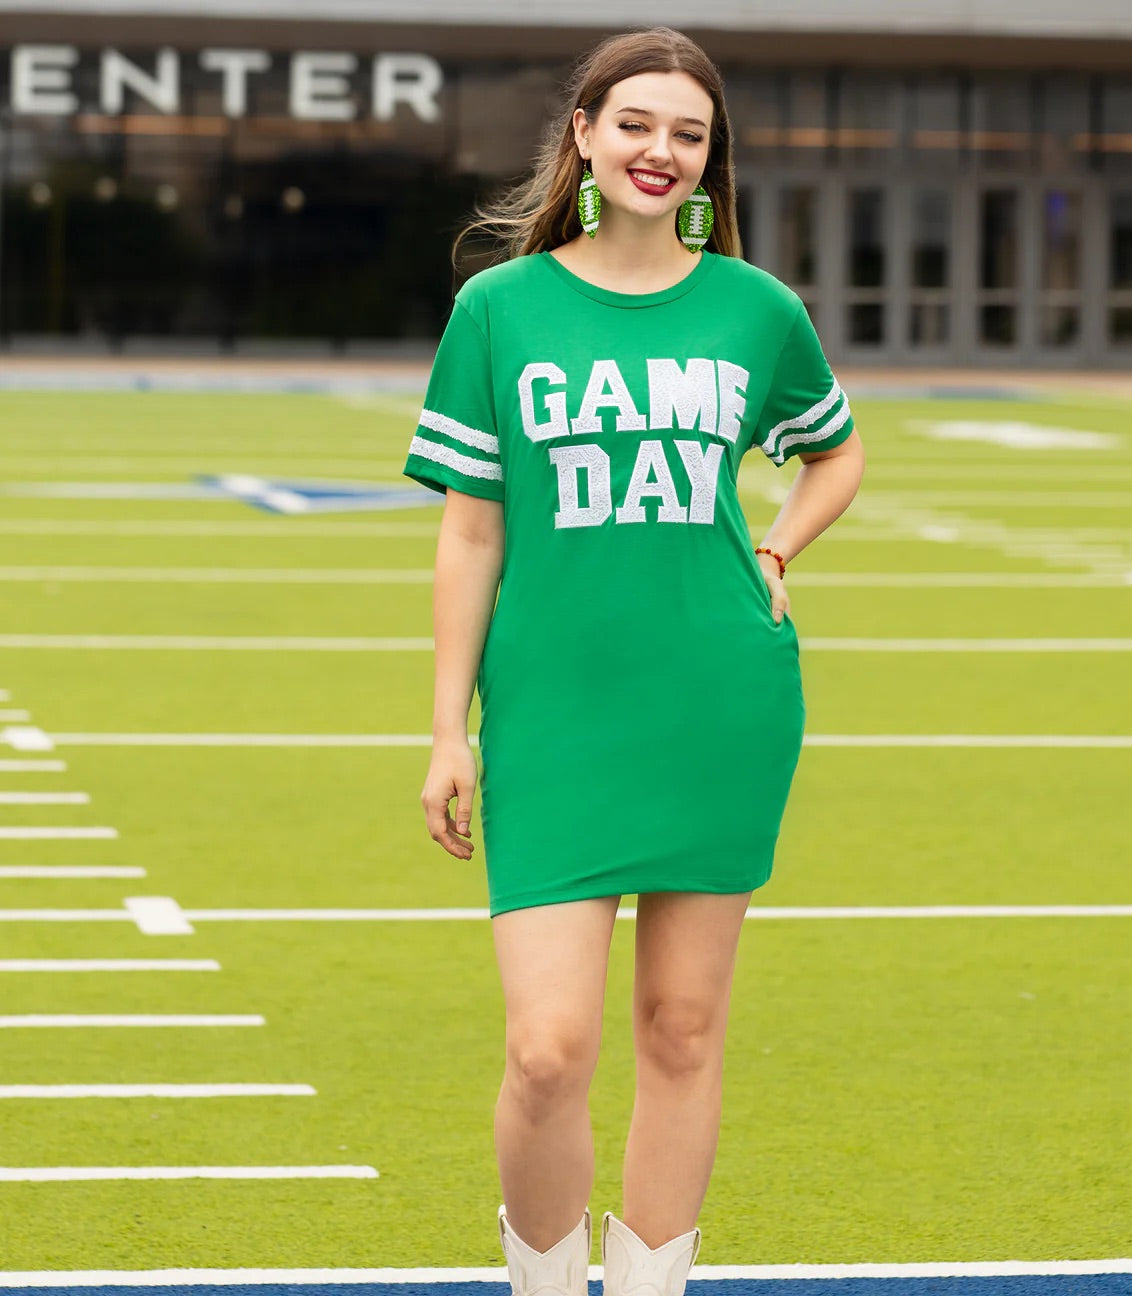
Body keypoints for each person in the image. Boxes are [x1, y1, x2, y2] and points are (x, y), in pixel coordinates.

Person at [404, 25, 865, 1296]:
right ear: (587, 138)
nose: (662, 151)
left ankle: (653, 1286)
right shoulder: (500, 308)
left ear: (710, 160)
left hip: (719, 698)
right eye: (639, 125)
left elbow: (834, 450)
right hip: (553, 711)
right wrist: (451, 728)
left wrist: (775, 553)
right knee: (549, 1047)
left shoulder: (755, 309)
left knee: (682, 1027)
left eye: (690, 133)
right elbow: (471, 527)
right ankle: (546, 1284)